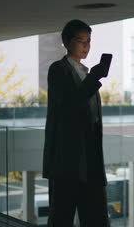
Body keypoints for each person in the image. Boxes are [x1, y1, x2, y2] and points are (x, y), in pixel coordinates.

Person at [42, 19, 110, 227]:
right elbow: (70, 104)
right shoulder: (59, 70)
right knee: (62, 215)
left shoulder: (86, 73)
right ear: (66, 42)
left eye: (88, 41)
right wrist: (94, 78)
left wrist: (93, 77)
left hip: (89, 154)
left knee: (96, 215)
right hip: (67, 156)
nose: (86, 46)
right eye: (80, 41)